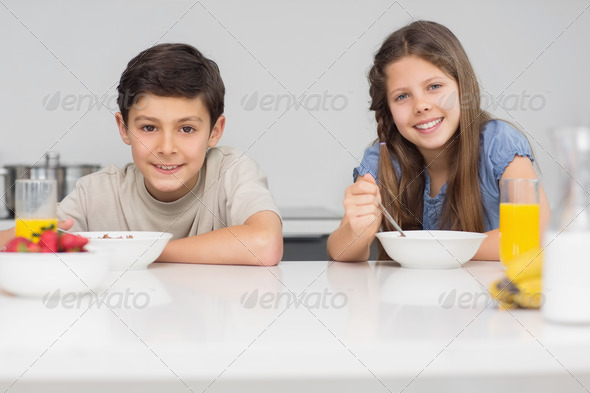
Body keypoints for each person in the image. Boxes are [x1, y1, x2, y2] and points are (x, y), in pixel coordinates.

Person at [1, 43, 283, 266]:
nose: (166, 147)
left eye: (186, 129)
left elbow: (265, 243)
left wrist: (142, 252)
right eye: (149, 127)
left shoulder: (231, 172)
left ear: (215, 131)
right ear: (124, 128)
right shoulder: (96, 193)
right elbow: (22, 242)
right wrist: (36, 237)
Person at [327, 21, 550, 262]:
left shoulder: (498, 143)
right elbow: (340, 251)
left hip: (490, 296)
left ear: (463, 88)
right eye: (402, 96)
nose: (421, 105)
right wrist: (356, 231)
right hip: (410, 298)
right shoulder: (383, 160)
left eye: (434, 86)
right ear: (388, 109)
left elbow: (529, 235)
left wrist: (433, 249)